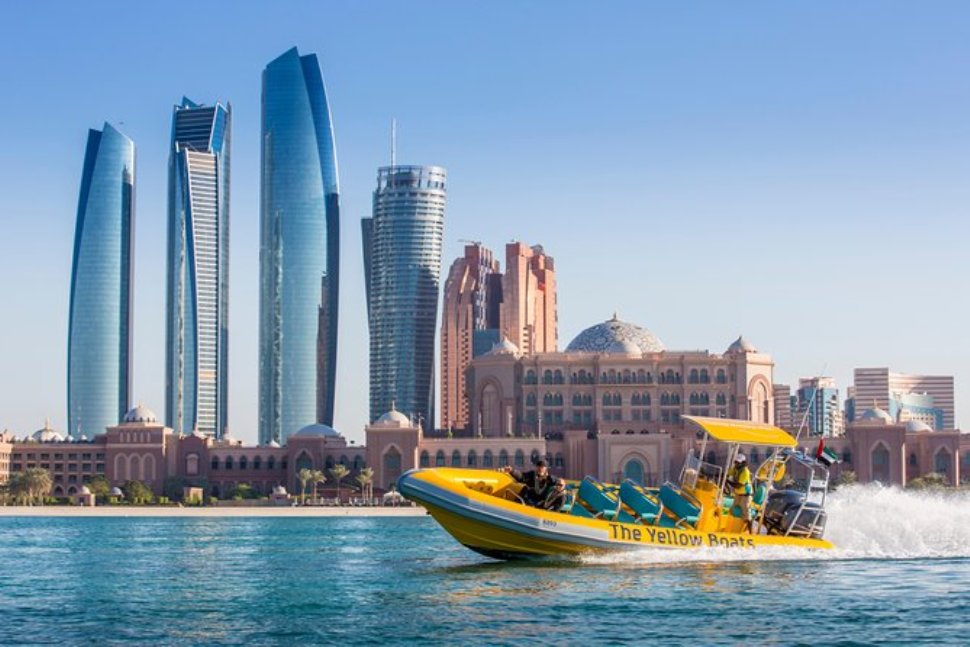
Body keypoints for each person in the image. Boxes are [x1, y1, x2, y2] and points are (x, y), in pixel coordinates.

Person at [499, 460, 566, 510]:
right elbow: (522, 477)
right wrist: (512, 471)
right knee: (525, 489)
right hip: (528, 499)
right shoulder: (532, 475)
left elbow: (557, 481)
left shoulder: (550, 479)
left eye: (542, 467)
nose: (540, 469)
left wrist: (547, 478)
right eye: (538, 467)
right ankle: (514, 508)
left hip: (540, 503)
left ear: (546, 469)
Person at [727, 453, 753, 533]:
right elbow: (728, 474)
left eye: (738, 462)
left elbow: (738, 485)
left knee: (746, 513)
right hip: (738, 494)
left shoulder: (745, 472)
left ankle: (751, 532)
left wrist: (728, 481)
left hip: (746, 495)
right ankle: (730, 529)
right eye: (736, 462)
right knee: (731, 510)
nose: (736, 464)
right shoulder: (735, 469)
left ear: (743, 463)